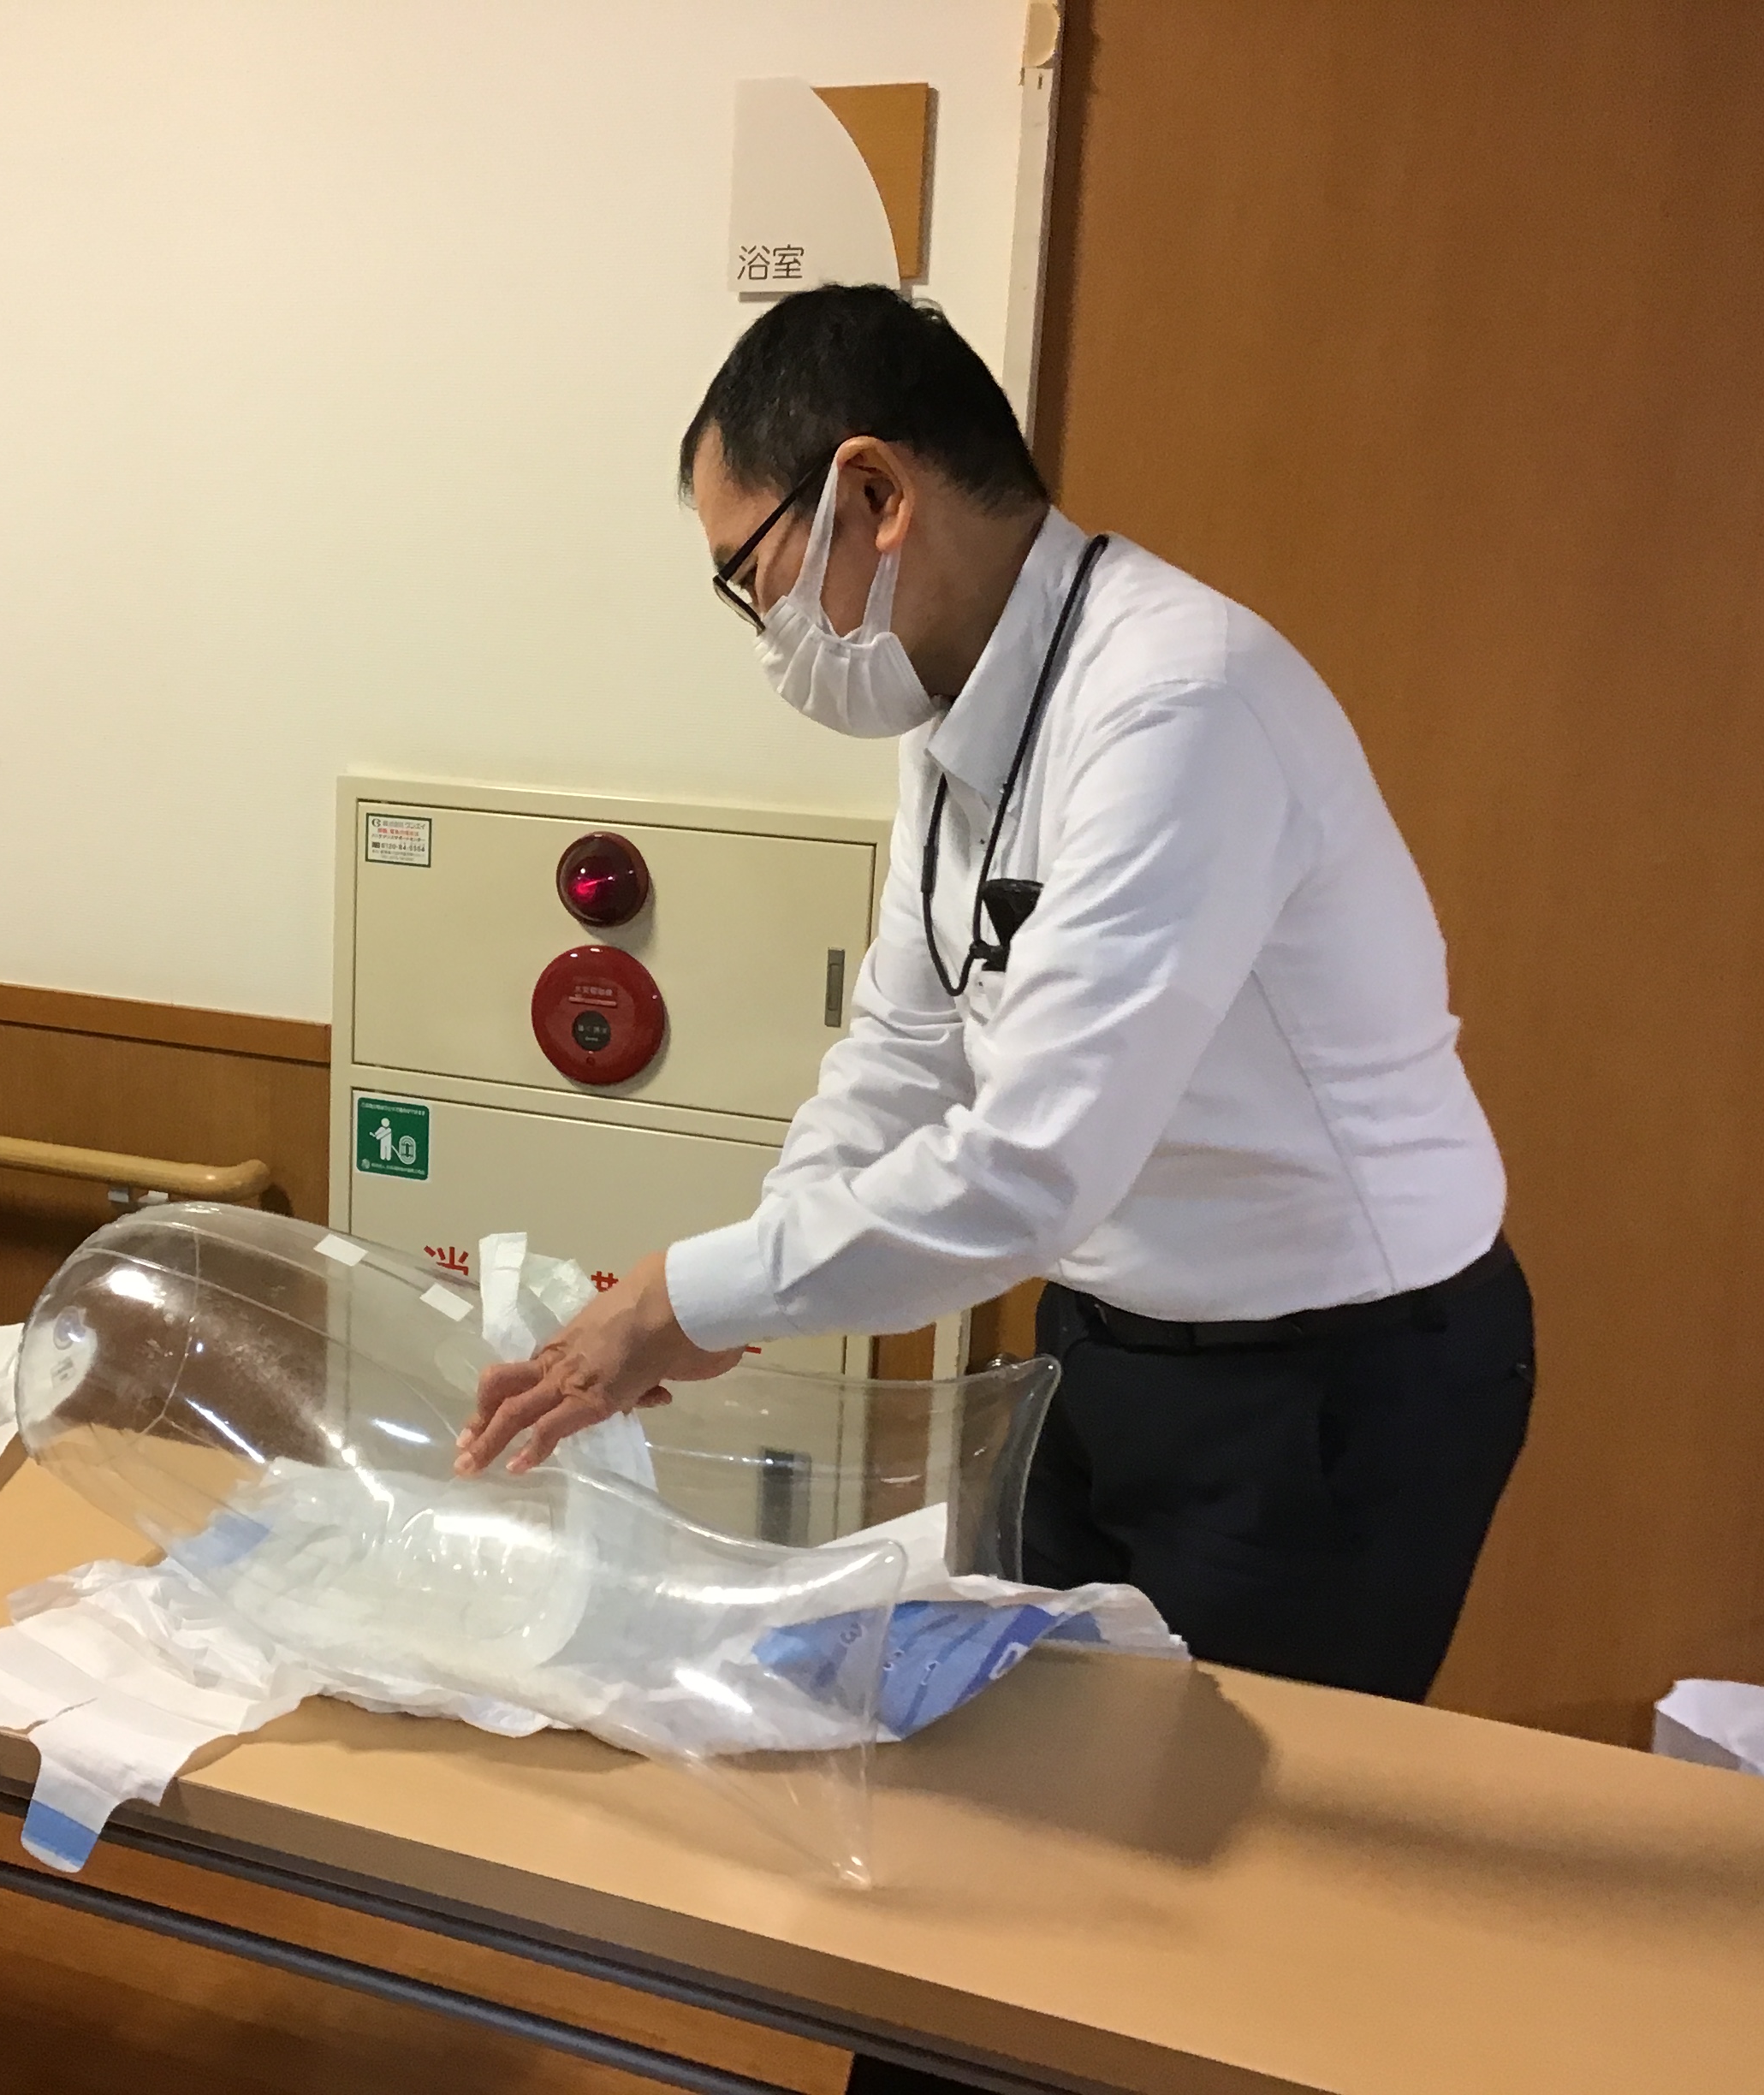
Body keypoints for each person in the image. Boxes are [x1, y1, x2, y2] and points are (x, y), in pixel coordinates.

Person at [455, 282, 1531, 1917]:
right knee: (1025, 1811)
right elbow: (903, 1048)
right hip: (1113, 1343)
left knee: (1204, 1891)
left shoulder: (1177, 701)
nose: (766, 633)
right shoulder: (957, 706)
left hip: (1332, 1380)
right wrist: (746, 1287)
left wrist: (688, 1296)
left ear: (874, 494)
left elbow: (1030, 1168)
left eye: (752, 576)